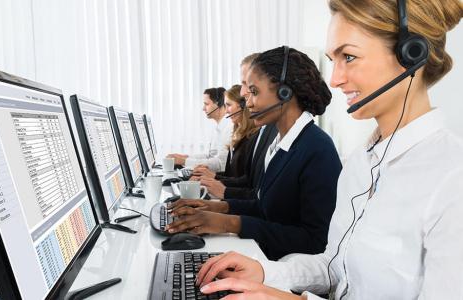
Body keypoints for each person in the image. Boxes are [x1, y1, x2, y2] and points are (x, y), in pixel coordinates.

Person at [194, 0, 463, 299]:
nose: (335, 79)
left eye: (348, 56)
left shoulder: (452, 178)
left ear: (411, 54)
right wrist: (265, 272)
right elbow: (335, 269)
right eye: (333, 60)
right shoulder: (363, 163)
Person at [166, 46, 342, 260]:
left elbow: (316, 242)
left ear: (285, 92)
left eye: (254, 92)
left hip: (286, 275)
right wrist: (213, 207)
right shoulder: (280, 143)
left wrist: (229, 223)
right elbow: (266, 208)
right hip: (261, 258)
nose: (247, 102)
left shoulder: (317, 150)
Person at [192, 53, 278, 200]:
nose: (244, 92)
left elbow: (256, 193)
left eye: (250, 87)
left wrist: (221, 187)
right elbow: (249, 182)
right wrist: (215, 179)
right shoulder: (260, 132)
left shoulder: (262, 134)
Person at [167, 87, 233, 172]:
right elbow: (209, 156)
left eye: (206, 104)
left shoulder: (228, 128)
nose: (203, 108)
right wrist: (185, 157)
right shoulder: (219, 127)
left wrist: (184, 161)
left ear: (219, 104)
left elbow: (220, 164)